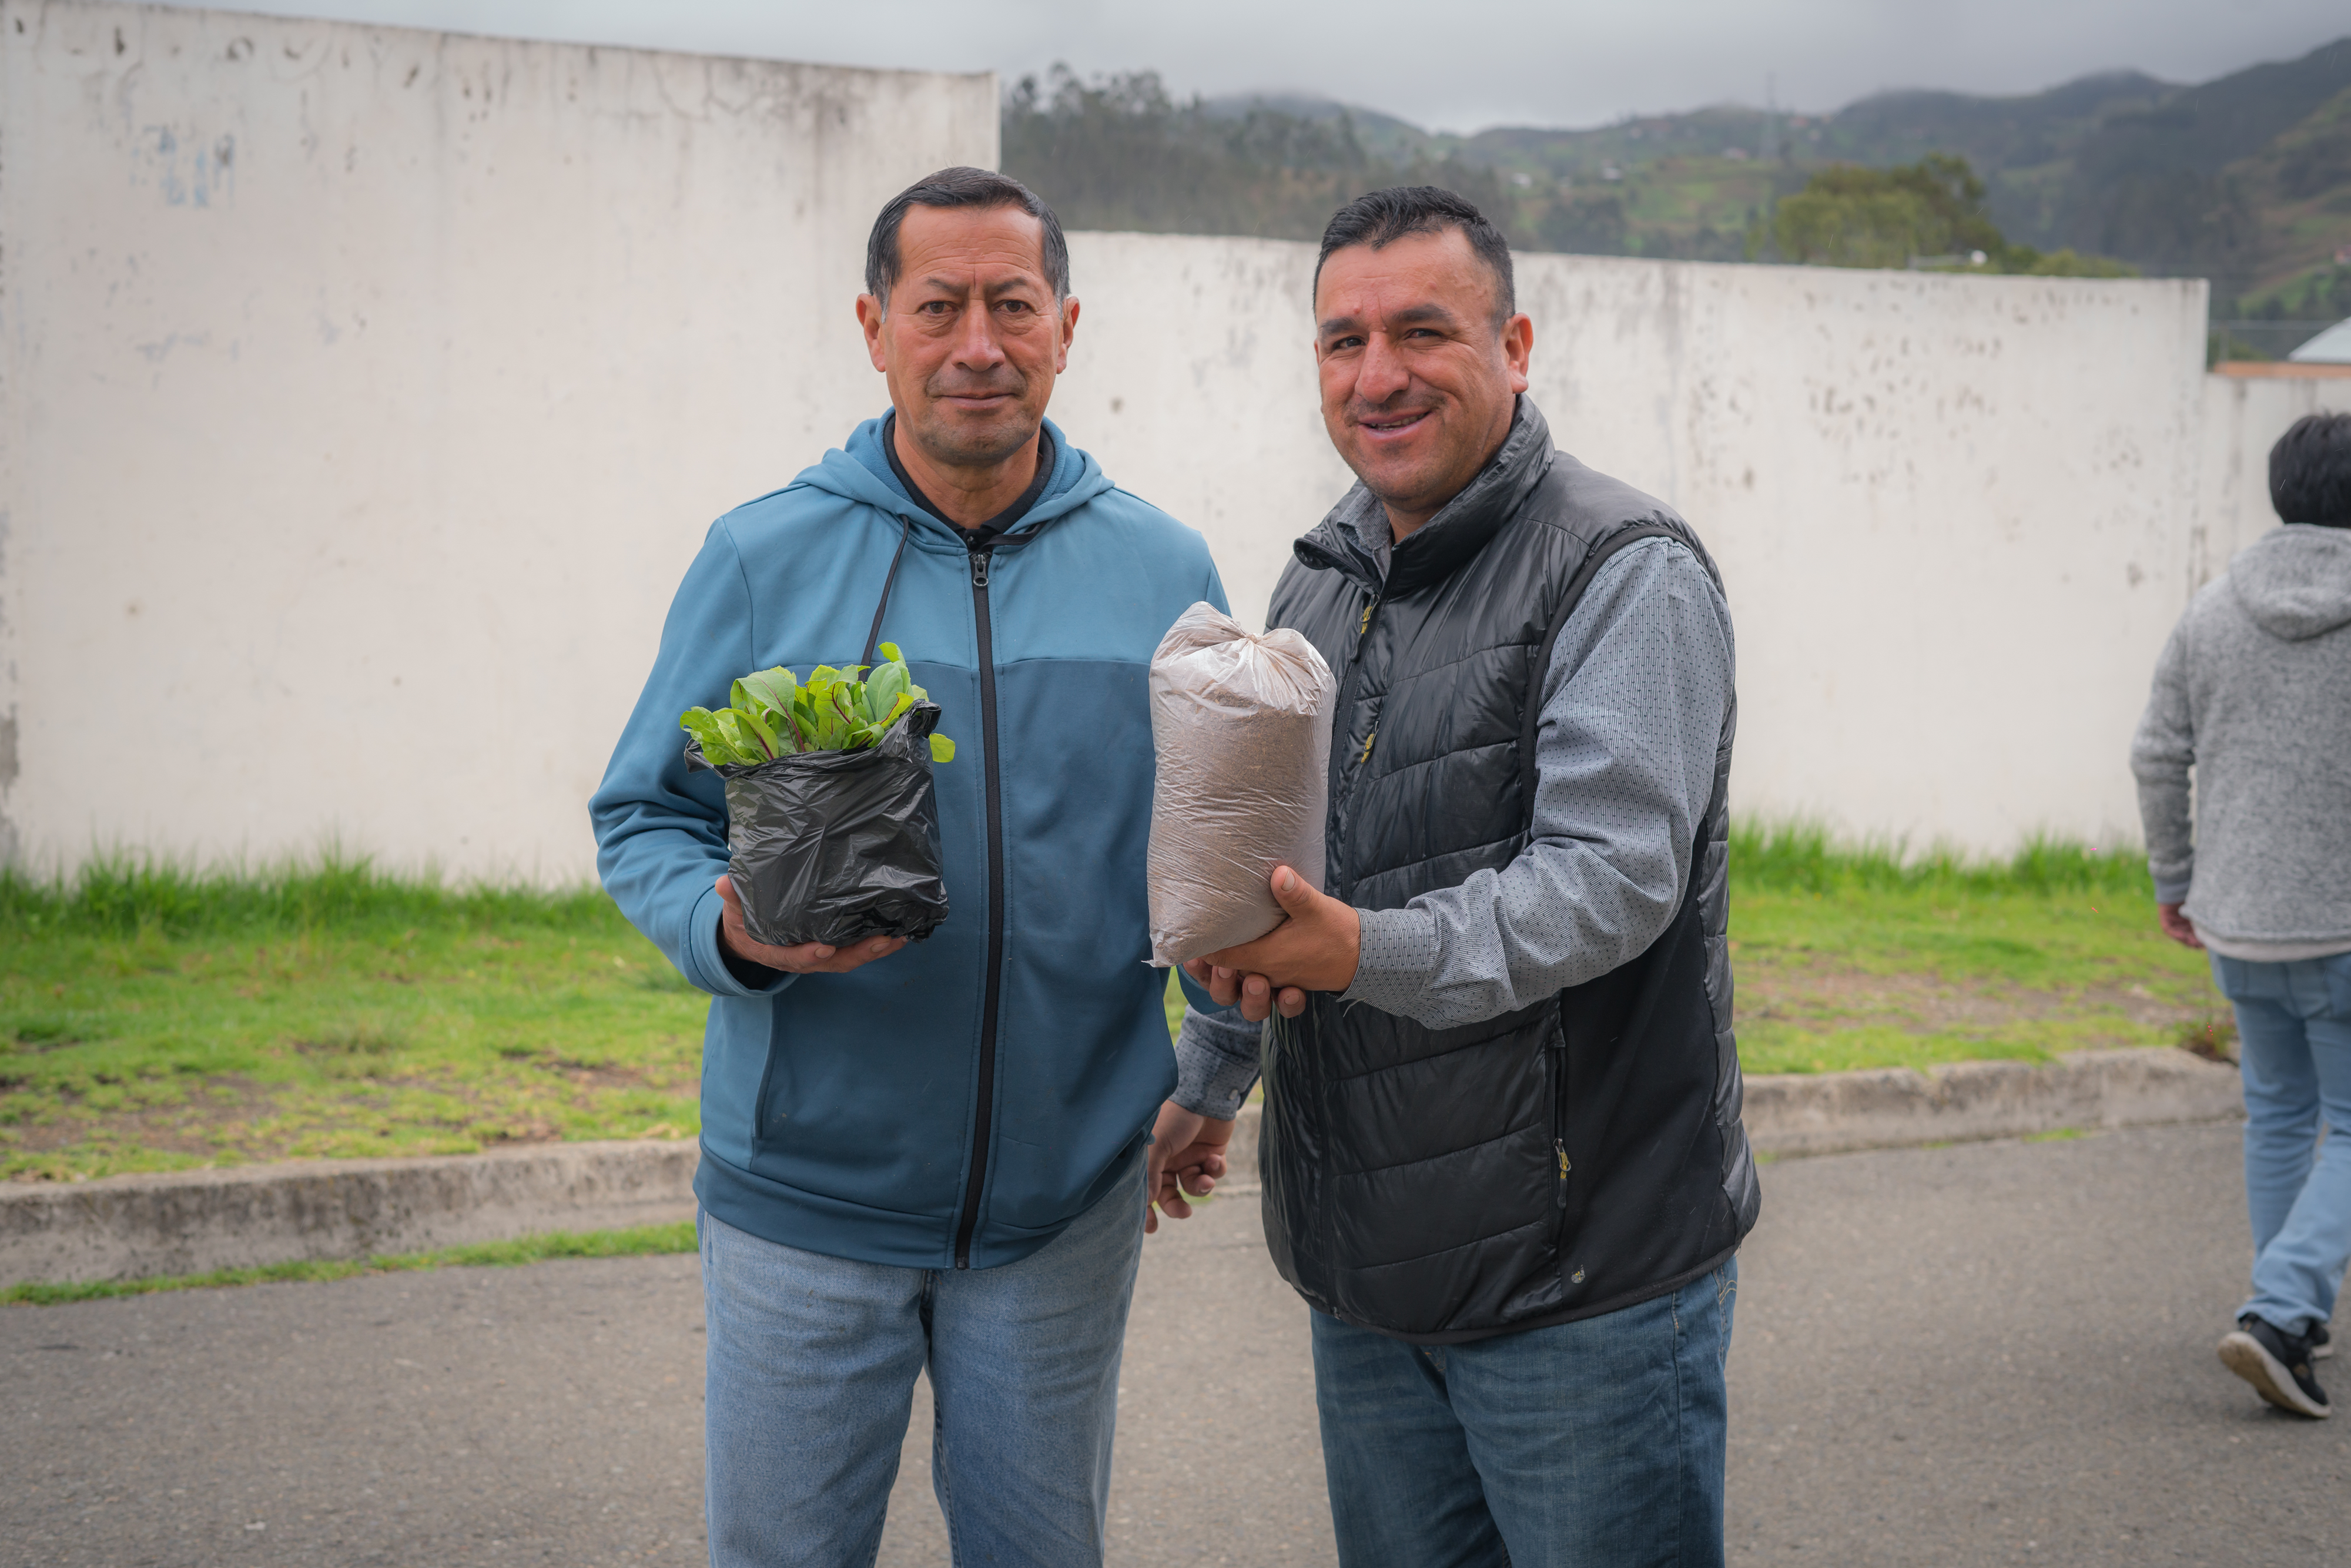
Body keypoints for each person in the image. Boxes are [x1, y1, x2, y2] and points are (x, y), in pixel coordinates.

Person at [590, 167, 1233, 1566]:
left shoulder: (1162, 566)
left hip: (1064, 1203)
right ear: (873, 325)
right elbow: (642, 815)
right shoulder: (763, 556)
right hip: (802, 1205)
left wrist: (1216, 1055)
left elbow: (1217, 844)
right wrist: (737, 933)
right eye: (937, 306)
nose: (977, 345)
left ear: (1066, 324)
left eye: (1011, 305)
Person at [1146, 186, 1758, 1567]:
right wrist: (1211, 1068)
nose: (1376, 375)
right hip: (1366, 1276)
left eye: (1422, 331)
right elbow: (1275, 882)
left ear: (1516, 342)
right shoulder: (1318, 583)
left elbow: (1609, 879)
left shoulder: (1622, 569)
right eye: (1340, 340)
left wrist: (1359, 950)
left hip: (1580, 1284)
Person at [2132, 410, 2351, 1421]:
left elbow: (2155, 752)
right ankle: (2278, 1313)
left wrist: (2175, 878)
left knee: (2279, 1117)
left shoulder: (2212, 609)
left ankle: (2291, 1321)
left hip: (2238, 920)